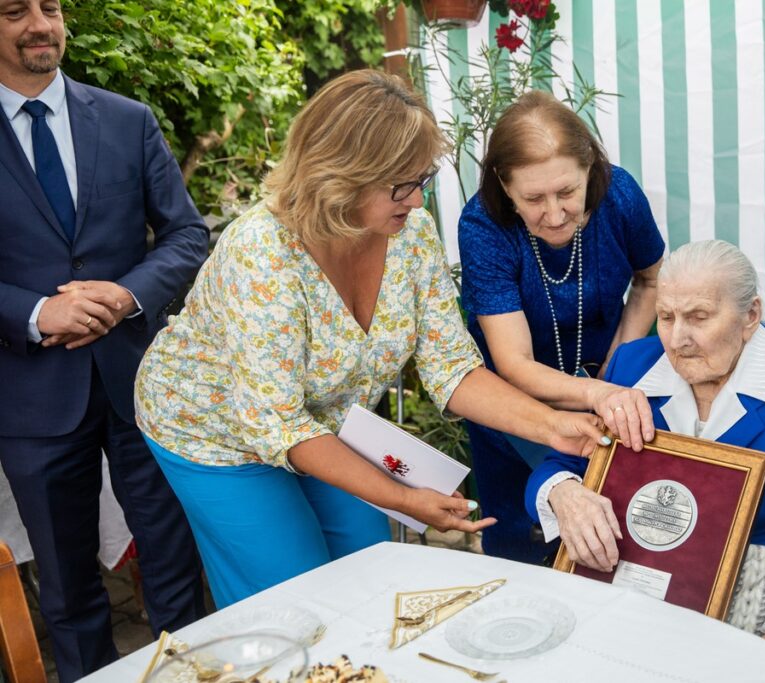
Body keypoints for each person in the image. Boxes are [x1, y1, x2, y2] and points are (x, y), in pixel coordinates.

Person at [134, 70, 608, 609]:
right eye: (400, 184)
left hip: (324, 422)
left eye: (421, 177)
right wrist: (404, 498)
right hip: (215, 432)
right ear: (342, 176)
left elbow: (452, 368)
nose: (417, 197)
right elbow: (279, 424)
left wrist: (555, 425)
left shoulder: (409, 234)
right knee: (296, 599)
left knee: (366, 573)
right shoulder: (262, 253)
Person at [525, 240, 765, 657]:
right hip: (639, 563)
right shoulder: (632, 366)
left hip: (758, 570)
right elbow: (562, 462)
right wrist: (564, 493)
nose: (678, 339)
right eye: (665, 317)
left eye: (698, 317)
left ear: (751, 315)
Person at [0, 0, 208, 679]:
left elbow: (185, 233)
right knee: (68, 590)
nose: (39, 23)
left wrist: (125, 294)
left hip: (140, 384)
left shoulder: (127, 120)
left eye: (50, 7)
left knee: (176, 567)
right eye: (12, 12)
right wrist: (36, 314)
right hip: (31, 395)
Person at [458, 91, 666, 563]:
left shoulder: (621, 196)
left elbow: (651, 279)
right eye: (533, 198)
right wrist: (596, 395)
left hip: (609, 381)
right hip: (515, 405)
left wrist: (615, 372)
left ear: (590, 168)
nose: (553, 215)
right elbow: (513, 363)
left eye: (567, 192)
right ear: (503, 186)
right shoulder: (482, 227)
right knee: (524, 540)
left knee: (616, 528)